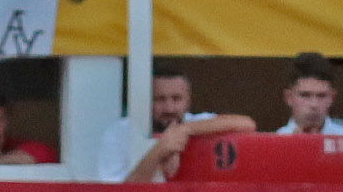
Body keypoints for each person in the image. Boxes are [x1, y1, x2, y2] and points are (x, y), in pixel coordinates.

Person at [95, 61, 255, 183]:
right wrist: (159, 151)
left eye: (176, 99)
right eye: (160, 99)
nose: (169, 108)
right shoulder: (118, 133)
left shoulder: (196, 124)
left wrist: (183, 131)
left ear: (188, 101)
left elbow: (247, 123)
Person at [275, 52, 343, 136]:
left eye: (321, 96)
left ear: (332, 98)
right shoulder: (274, 142)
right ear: (288, 97)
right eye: (305, 95)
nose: (314, 104)